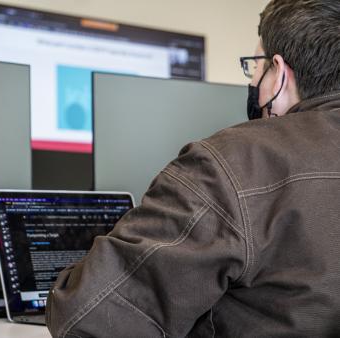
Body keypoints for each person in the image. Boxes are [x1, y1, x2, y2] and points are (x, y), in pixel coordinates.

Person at [46, 0, 340, 336]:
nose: (253, 80)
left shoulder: (234, 162)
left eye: (255, 67)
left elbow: (90, 320)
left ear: (279, 73)